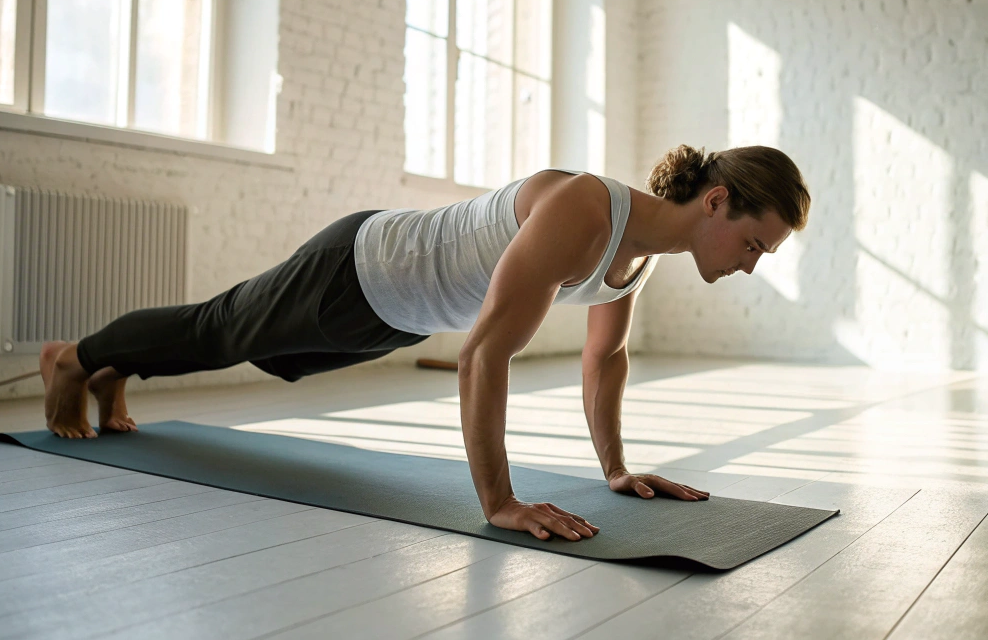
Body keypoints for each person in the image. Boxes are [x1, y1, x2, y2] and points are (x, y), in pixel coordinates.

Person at [40, 143, 810, 543]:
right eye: (752, 244)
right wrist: (499, 502)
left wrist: (614, 469)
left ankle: (117, 371)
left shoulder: (637, 260)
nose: (751, 264)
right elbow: (483, 353)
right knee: (217, 328)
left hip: (392, 316)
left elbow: (604, 358)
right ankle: (74, 361)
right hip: (358, 267)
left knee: (239, 348)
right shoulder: (587, 208)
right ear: (716, 202)